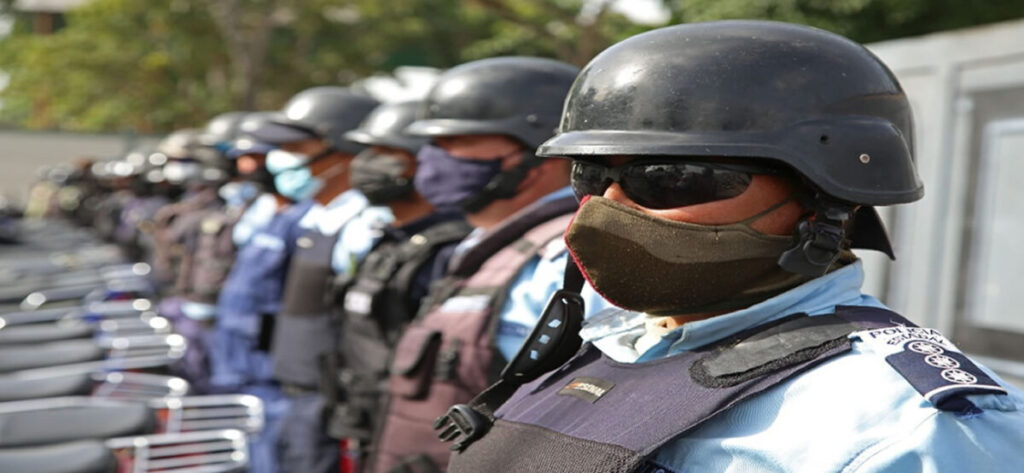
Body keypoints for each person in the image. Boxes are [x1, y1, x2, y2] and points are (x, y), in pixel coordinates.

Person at [439, 20, 1024, 473]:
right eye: (590, 177)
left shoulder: (906, 429)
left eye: (669, 178)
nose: (607, 207)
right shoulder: (606, 343)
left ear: (825, 200)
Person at [369, 57, 610, 473]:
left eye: (456, 141)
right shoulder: (482, 241)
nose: (431, 158)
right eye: (433, 143)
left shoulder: (569, 257)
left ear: (537, 156)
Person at [215, 86, 383, 473]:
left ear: (345, 151)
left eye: (296, 148)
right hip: (288, 379)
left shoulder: (365, 225)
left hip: (322, 393)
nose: (282, 159)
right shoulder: (310, 215)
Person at [320, 101, 472, 467]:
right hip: (364, 416)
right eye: (368, 151)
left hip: (416, 436)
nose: (366, 163)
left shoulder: (452, 249)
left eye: (387, 152)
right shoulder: (387, 239)